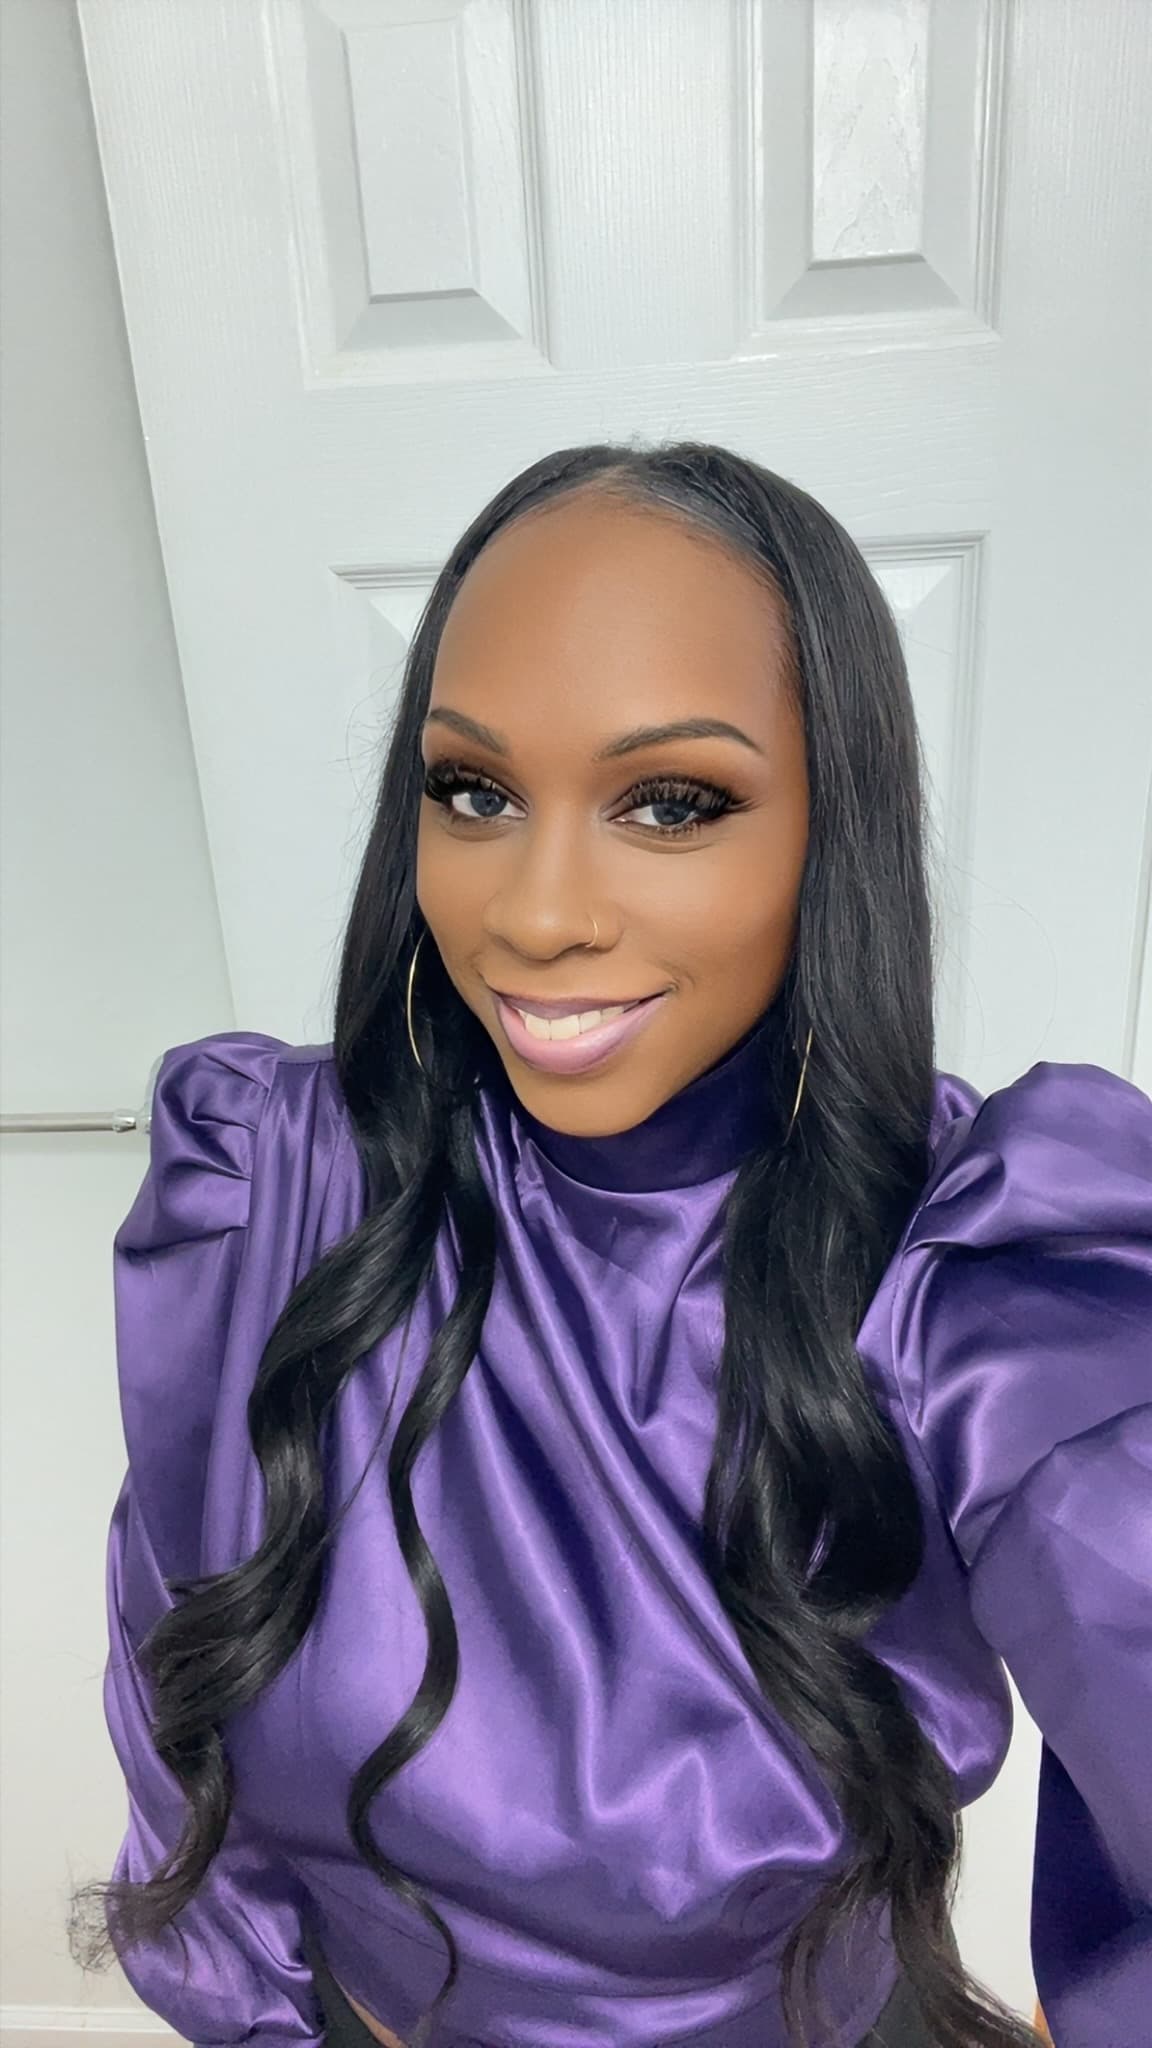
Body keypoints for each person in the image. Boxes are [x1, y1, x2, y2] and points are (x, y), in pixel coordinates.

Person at [71, 443, 1151, 2048]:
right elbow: (179, 1711)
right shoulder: (272, 1185)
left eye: (671, 804)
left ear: (825, 833)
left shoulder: (979, 1285)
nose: (538, 909)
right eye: (475, 791)